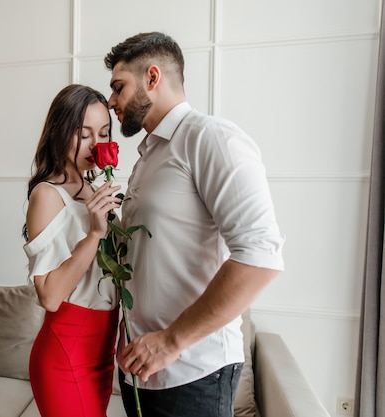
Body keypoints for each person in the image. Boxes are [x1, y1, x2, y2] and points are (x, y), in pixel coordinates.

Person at [104, 32, 285, 417]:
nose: (112, 101)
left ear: (153, 78)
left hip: (192, 374)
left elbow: (260, 255)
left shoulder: (211, 138)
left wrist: (171, 341)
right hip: (141, 370)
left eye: (119, 88)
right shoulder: (147, 157)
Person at [22, 84, 123, 417]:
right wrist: (95, 233)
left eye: (104, 133)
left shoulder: (94, 190)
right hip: (67, 350)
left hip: (103, 349)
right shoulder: (47, 195)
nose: (96, 144)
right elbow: (50, 297)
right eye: (84, 134)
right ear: (61, 132)